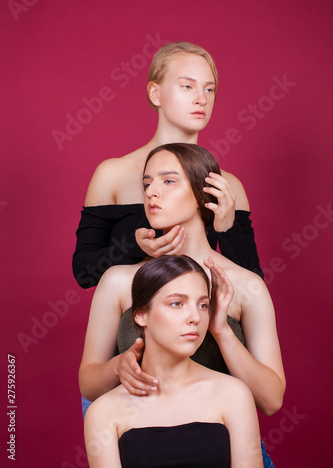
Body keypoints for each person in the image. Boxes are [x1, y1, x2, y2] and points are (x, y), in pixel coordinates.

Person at [79, 143, 285, 466]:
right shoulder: (119, 281)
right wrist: (117, 368)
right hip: (143, 449)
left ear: (206, 193)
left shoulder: (246, 286)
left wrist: (221, 331)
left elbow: (271, 401)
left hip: (225, 449)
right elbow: (88, 384)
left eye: (168, 181)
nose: (151, 193)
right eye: (146, 184)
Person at [72, 41, 263, 290]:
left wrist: (227, 230)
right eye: (187, 86)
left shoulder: (225, 185)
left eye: (209, 89)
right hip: (133, 323)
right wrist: (135, 247)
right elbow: (84, 274)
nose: (201, 99)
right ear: (155, 93)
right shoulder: (112, 175)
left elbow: (252, 289)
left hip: (203, 324)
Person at [84, 254, 263, 468]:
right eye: (177, 303)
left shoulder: (234, 394)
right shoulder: (104, 411)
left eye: (203, 305)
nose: (195, 317)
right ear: (141, 314)